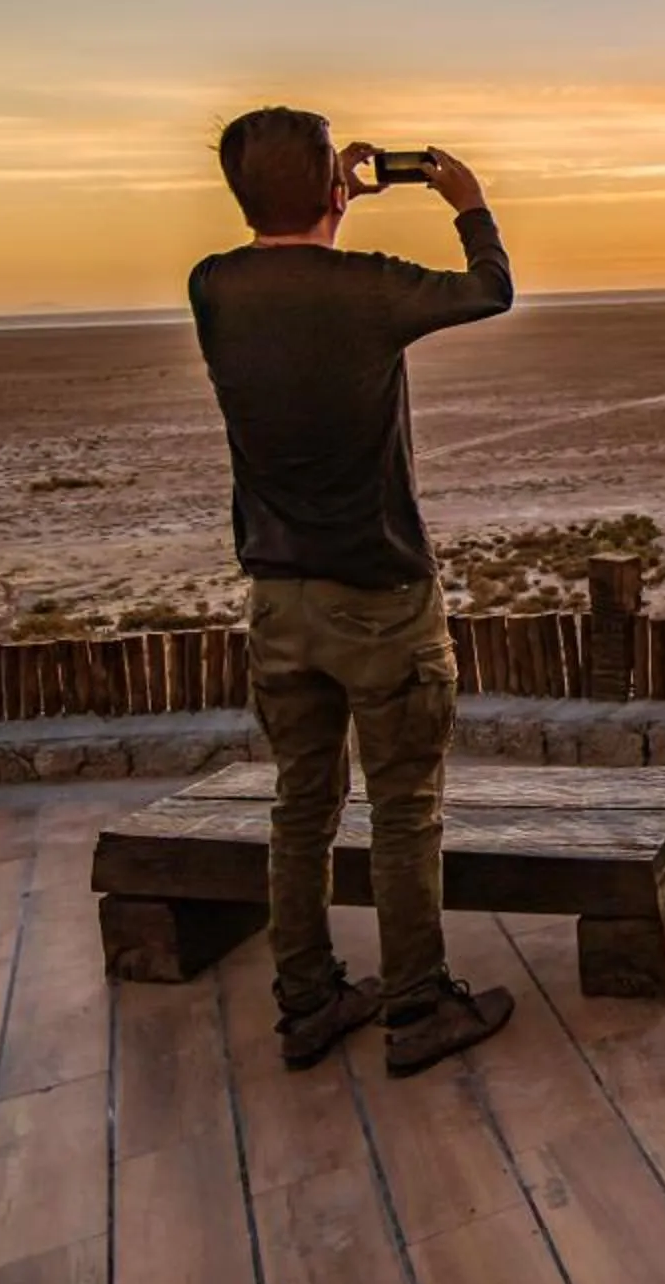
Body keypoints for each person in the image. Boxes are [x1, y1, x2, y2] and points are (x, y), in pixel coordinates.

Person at [188, 106, 517, 1074]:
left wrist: (329, 196)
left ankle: (310, 1000)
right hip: (379, 593)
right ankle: (417, 1006)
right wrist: (469, 202)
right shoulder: (371, 290)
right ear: (338, 185)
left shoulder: (212, 288)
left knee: (302, 802)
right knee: (405, 807)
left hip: (277, 596)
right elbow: (490, 291)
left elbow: (294, 276)